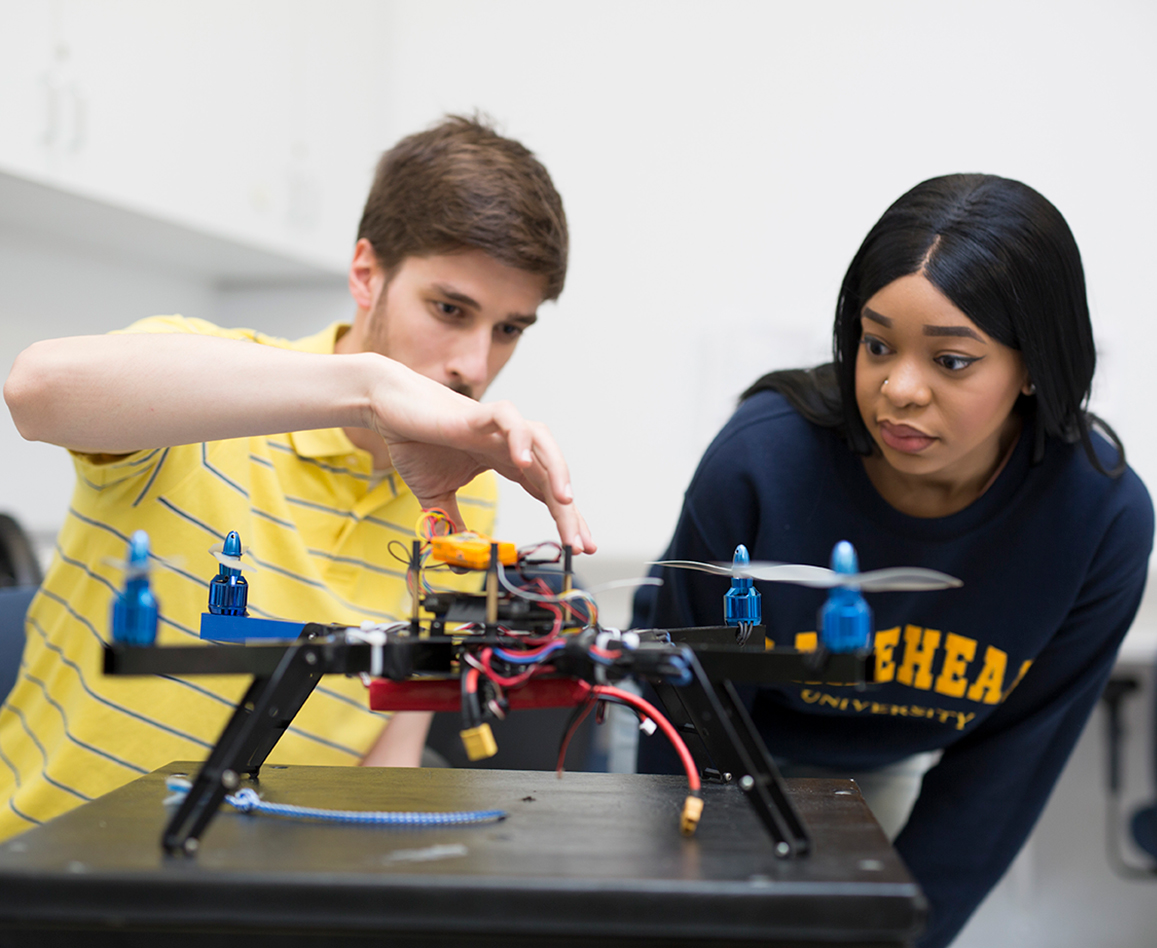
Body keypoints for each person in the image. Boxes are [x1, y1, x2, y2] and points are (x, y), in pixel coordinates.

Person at [0, 115, 594, 841]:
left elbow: (390, 742)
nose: (474, 365)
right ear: (366, 274)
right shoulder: (215, 388)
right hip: (47, 863)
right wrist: (370, 387)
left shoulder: (464, 488)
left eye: (508, 329)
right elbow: (34, 391)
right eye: (449, 309)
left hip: (246, 878)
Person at [633, 174, 1153, 948]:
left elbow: (999, 781)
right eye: (876, 346)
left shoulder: (1097, 521)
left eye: (950, 361)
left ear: (1033, 367)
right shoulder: (760, 462)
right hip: (689, 743)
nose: (897, 390)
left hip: (877, 769)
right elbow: (688, 719)